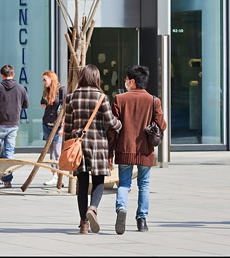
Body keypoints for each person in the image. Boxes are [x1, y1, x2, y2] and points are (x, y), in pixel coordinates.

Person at [63, 64, 122, 234]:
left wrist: (68, 146)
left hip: (77, 144)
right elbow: (111, 122)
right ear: (96, 78)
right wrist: (120, 125)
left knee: (82, 183)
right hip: (97, 144)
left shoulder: (71, 97)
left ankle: (83, 224)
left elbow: (67, 126)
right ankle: (93, 208)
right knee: (98, 181)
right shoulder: (101, 97)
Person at [109, 65, 167, 234]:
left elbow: (112, 128)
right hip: (145, 149)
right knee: (144, 185)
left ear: (132, 81)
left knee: (124, 184)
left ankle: (121, 209)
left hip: (124, 148)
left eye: (127, 79)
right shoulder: (154, 100)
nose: (125, 82)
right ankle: (142, 220)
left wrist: (110, 150)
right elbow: (162, 125)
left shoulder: (120, 99)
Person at [0, 64, 29, 188]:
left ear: (2, 75)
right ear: (13, 74)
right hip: (13, 123)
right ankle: (7, 180)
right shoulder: (21, 88)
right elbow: (26, 104)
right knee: (9, 152)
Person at [40, 70, 67, 186]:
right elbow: (42, 104)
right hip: (47, 123)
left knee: (57, 151)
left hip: (57, 125)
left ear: (51, 79)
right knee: (51, 151)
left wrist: (62, 127)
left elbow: (65, 109)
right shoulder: (46, 90)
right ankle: (54, 175)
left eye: (45, 79)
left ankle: (58, 175)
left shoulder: (61, 90)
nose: (44, 82)